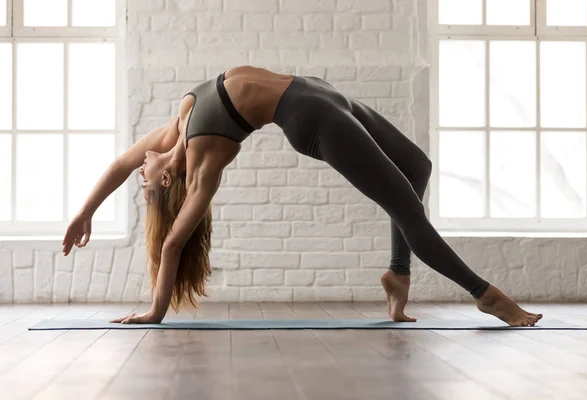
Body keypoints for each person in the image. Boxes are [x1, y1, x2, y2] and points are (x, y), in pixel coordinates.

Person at [62, 66, 542, 327]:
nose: (139, 173)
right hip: (312, 119)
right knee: (408, 211)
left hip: (323, 93)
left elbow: (119, 163)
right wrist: (155, 311)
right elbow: (172, 245)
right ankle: (487, 296)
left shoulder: (172, 132)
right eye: (142, 188)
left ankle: (397, 276)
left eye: (139, 183)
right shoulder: (203, 160)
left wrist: (85, 212)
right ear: (165, 182)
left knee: (418, 167)